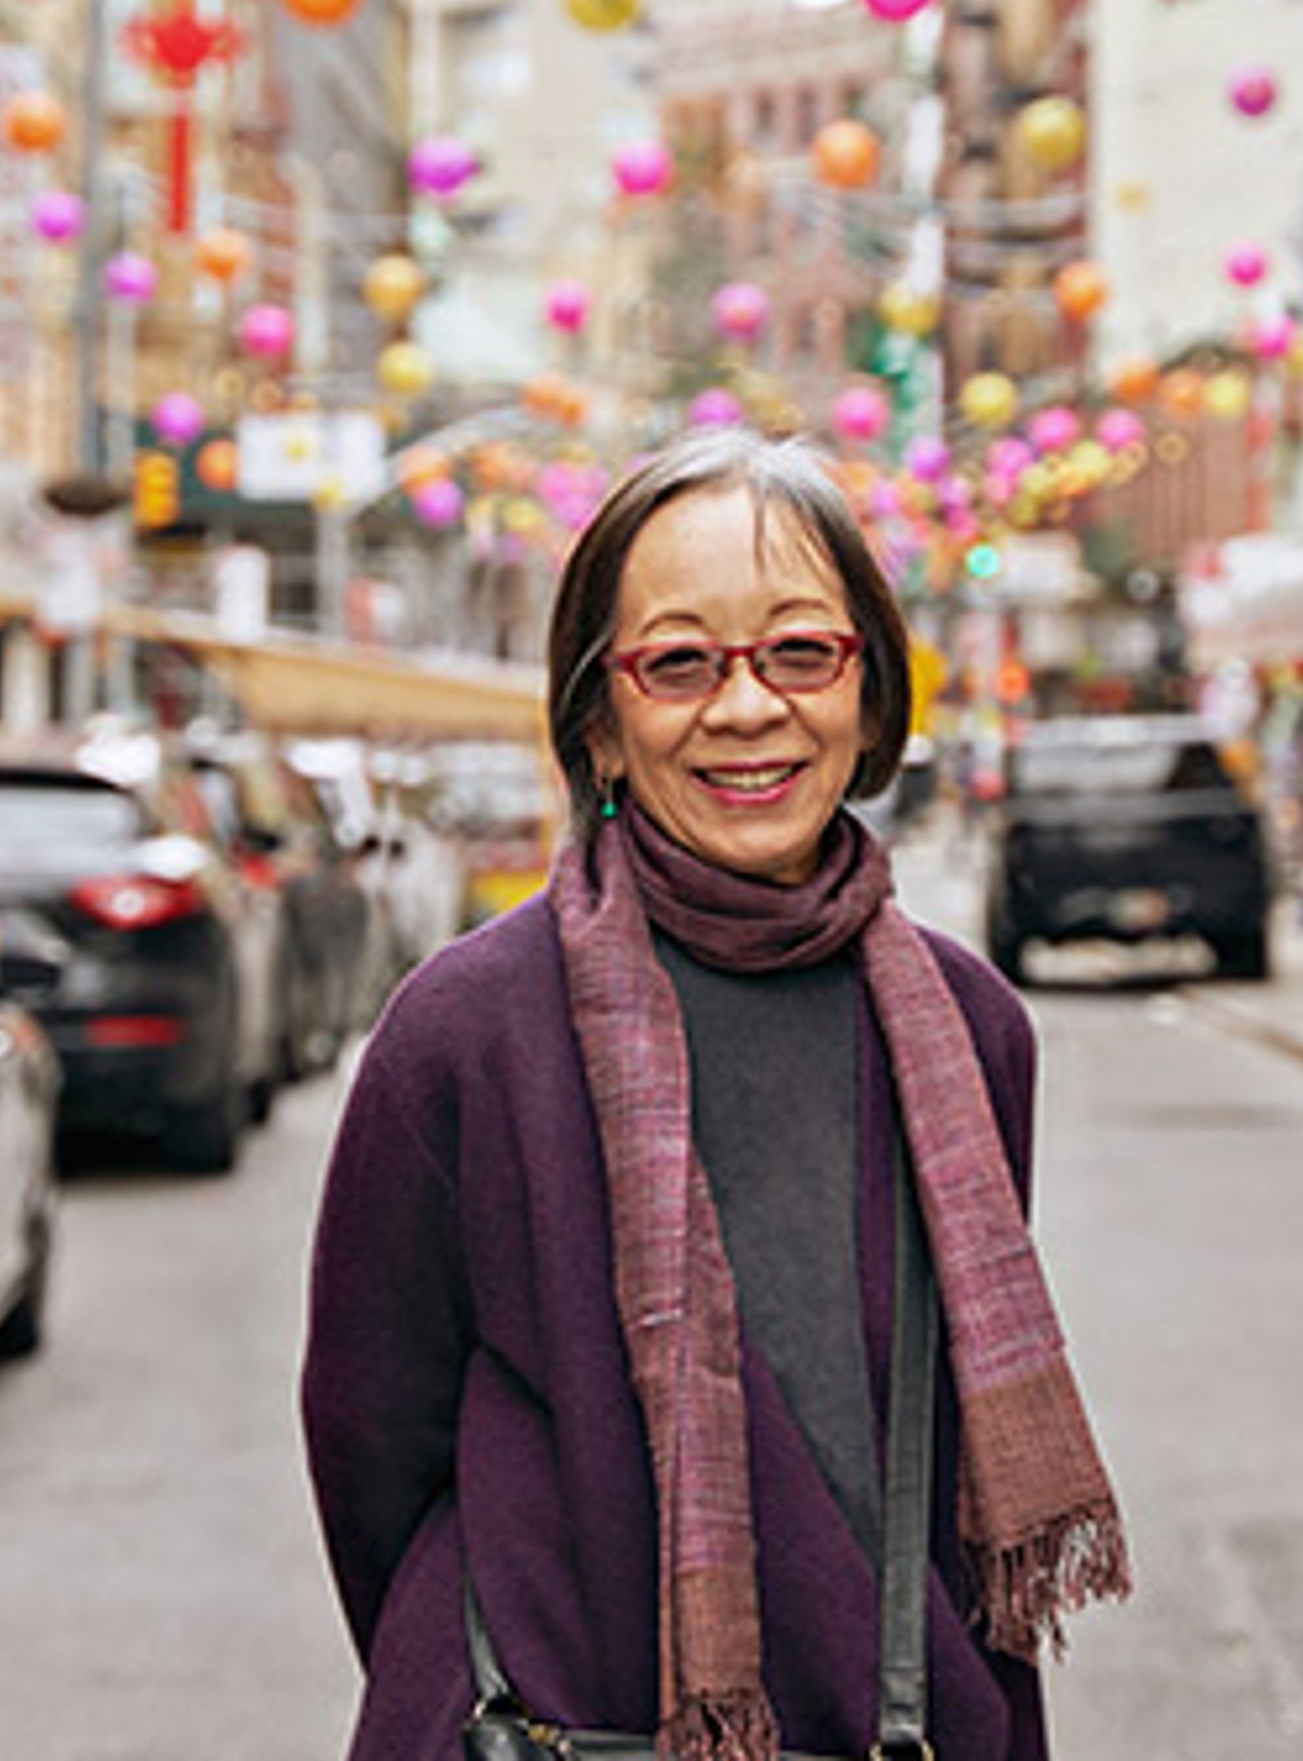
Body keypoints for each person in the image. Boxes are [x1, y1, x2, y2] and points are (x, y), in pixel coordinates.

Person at [301, 428, 1128, 1761]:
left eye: (802, 651)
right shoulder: (461, 1033)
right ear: (600, 723)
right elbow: (370, 1448)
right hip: (555, 1731)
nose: (747, 708)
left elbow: (947, 1462)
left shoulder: (973, 1031)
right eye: (679, 663)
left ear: (871, 699)